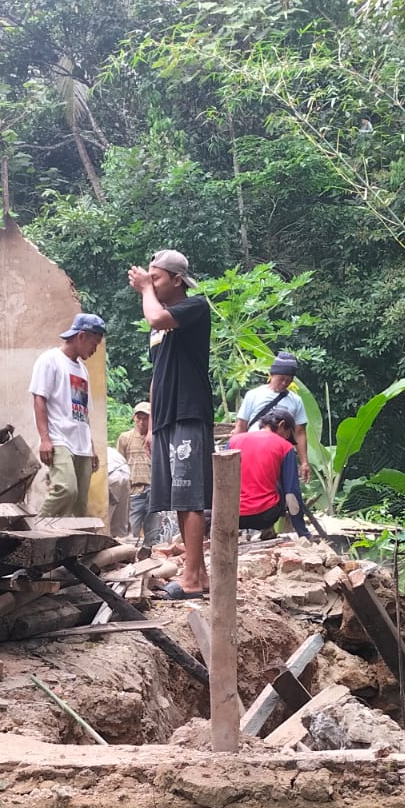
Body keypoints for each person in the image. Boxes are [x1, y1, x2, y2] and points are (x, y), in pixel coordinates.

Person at [128, 249, 211, 597]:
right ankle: (198, 575)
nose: (151, 282)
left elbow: (157, 319)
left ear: (177, 280)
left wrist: (146, 290)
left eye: (157, 277)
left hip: (189, 411)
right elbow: (157, 373)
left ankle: (192, 576)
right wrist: (152, 425)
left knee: (190, 495)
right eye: (149, 277)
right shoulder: (159, 326)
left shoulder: (195, 307)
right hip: (166, 418)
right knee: (178, 497)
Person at [30, 313, 105, 517]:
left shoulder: (82, 370)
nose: (95, 349)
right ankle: (34, 533)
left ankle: (74, 548)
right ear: (81, 336)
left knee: (79, 505)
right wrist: (45, 439)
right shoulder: (50, 360)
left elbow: (84, 412)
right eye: (94, 343)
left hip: (81, 444)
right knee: (66, 489)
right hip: (59, 439)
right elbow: (39, 400)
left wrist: (91, 447)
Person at [227, 408, 310, 538]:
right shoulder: (285, 447)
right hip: (265, 515)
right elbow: (291, 494)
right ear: (282, 425)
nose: (288, 439)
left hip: (232, 516)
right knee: (282, 484)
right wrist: (302, 532)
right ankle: (268, 529)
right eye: (288, 434)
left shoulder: (233, 441)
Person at [234, 350, 310, 481]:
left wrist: (304, 462)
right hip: (253, 453)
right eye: (281, 379)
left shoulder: (296, 400)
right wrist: (235, 454)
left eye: (289, 380)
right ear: (272, 374)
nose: (284, 383)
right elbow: (241, 426)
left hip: (280, 454)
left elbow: (300, 432)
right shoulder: (254, 395)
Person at [117, 401, 160, 544]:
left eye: (146, 418)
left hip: (153, 491)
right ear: (134, 418)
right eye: (139, 418)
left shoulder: (157, 438)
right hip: (134, 491)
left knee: (153, 535)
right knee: (131, 534)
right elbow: (120, 464)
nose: (142, 422)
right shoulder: (125, 438)